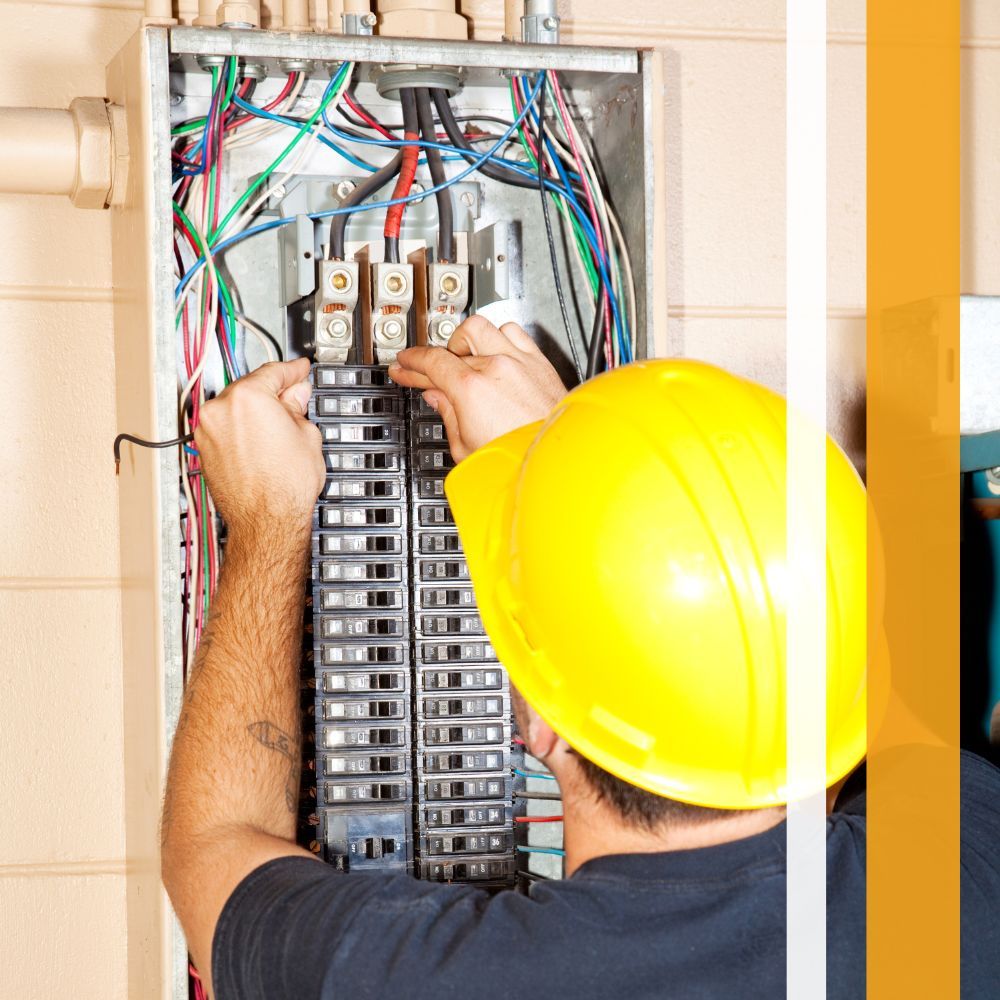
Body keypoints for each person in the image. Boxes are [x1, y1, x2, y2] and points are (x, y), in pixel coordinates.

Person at [160, 317, 1000, 999]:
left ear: (538, 718)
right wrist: (561, 479)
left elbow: (211, 845)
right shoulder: (964, 880)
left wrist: (269, 529)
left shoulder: (425, 978)